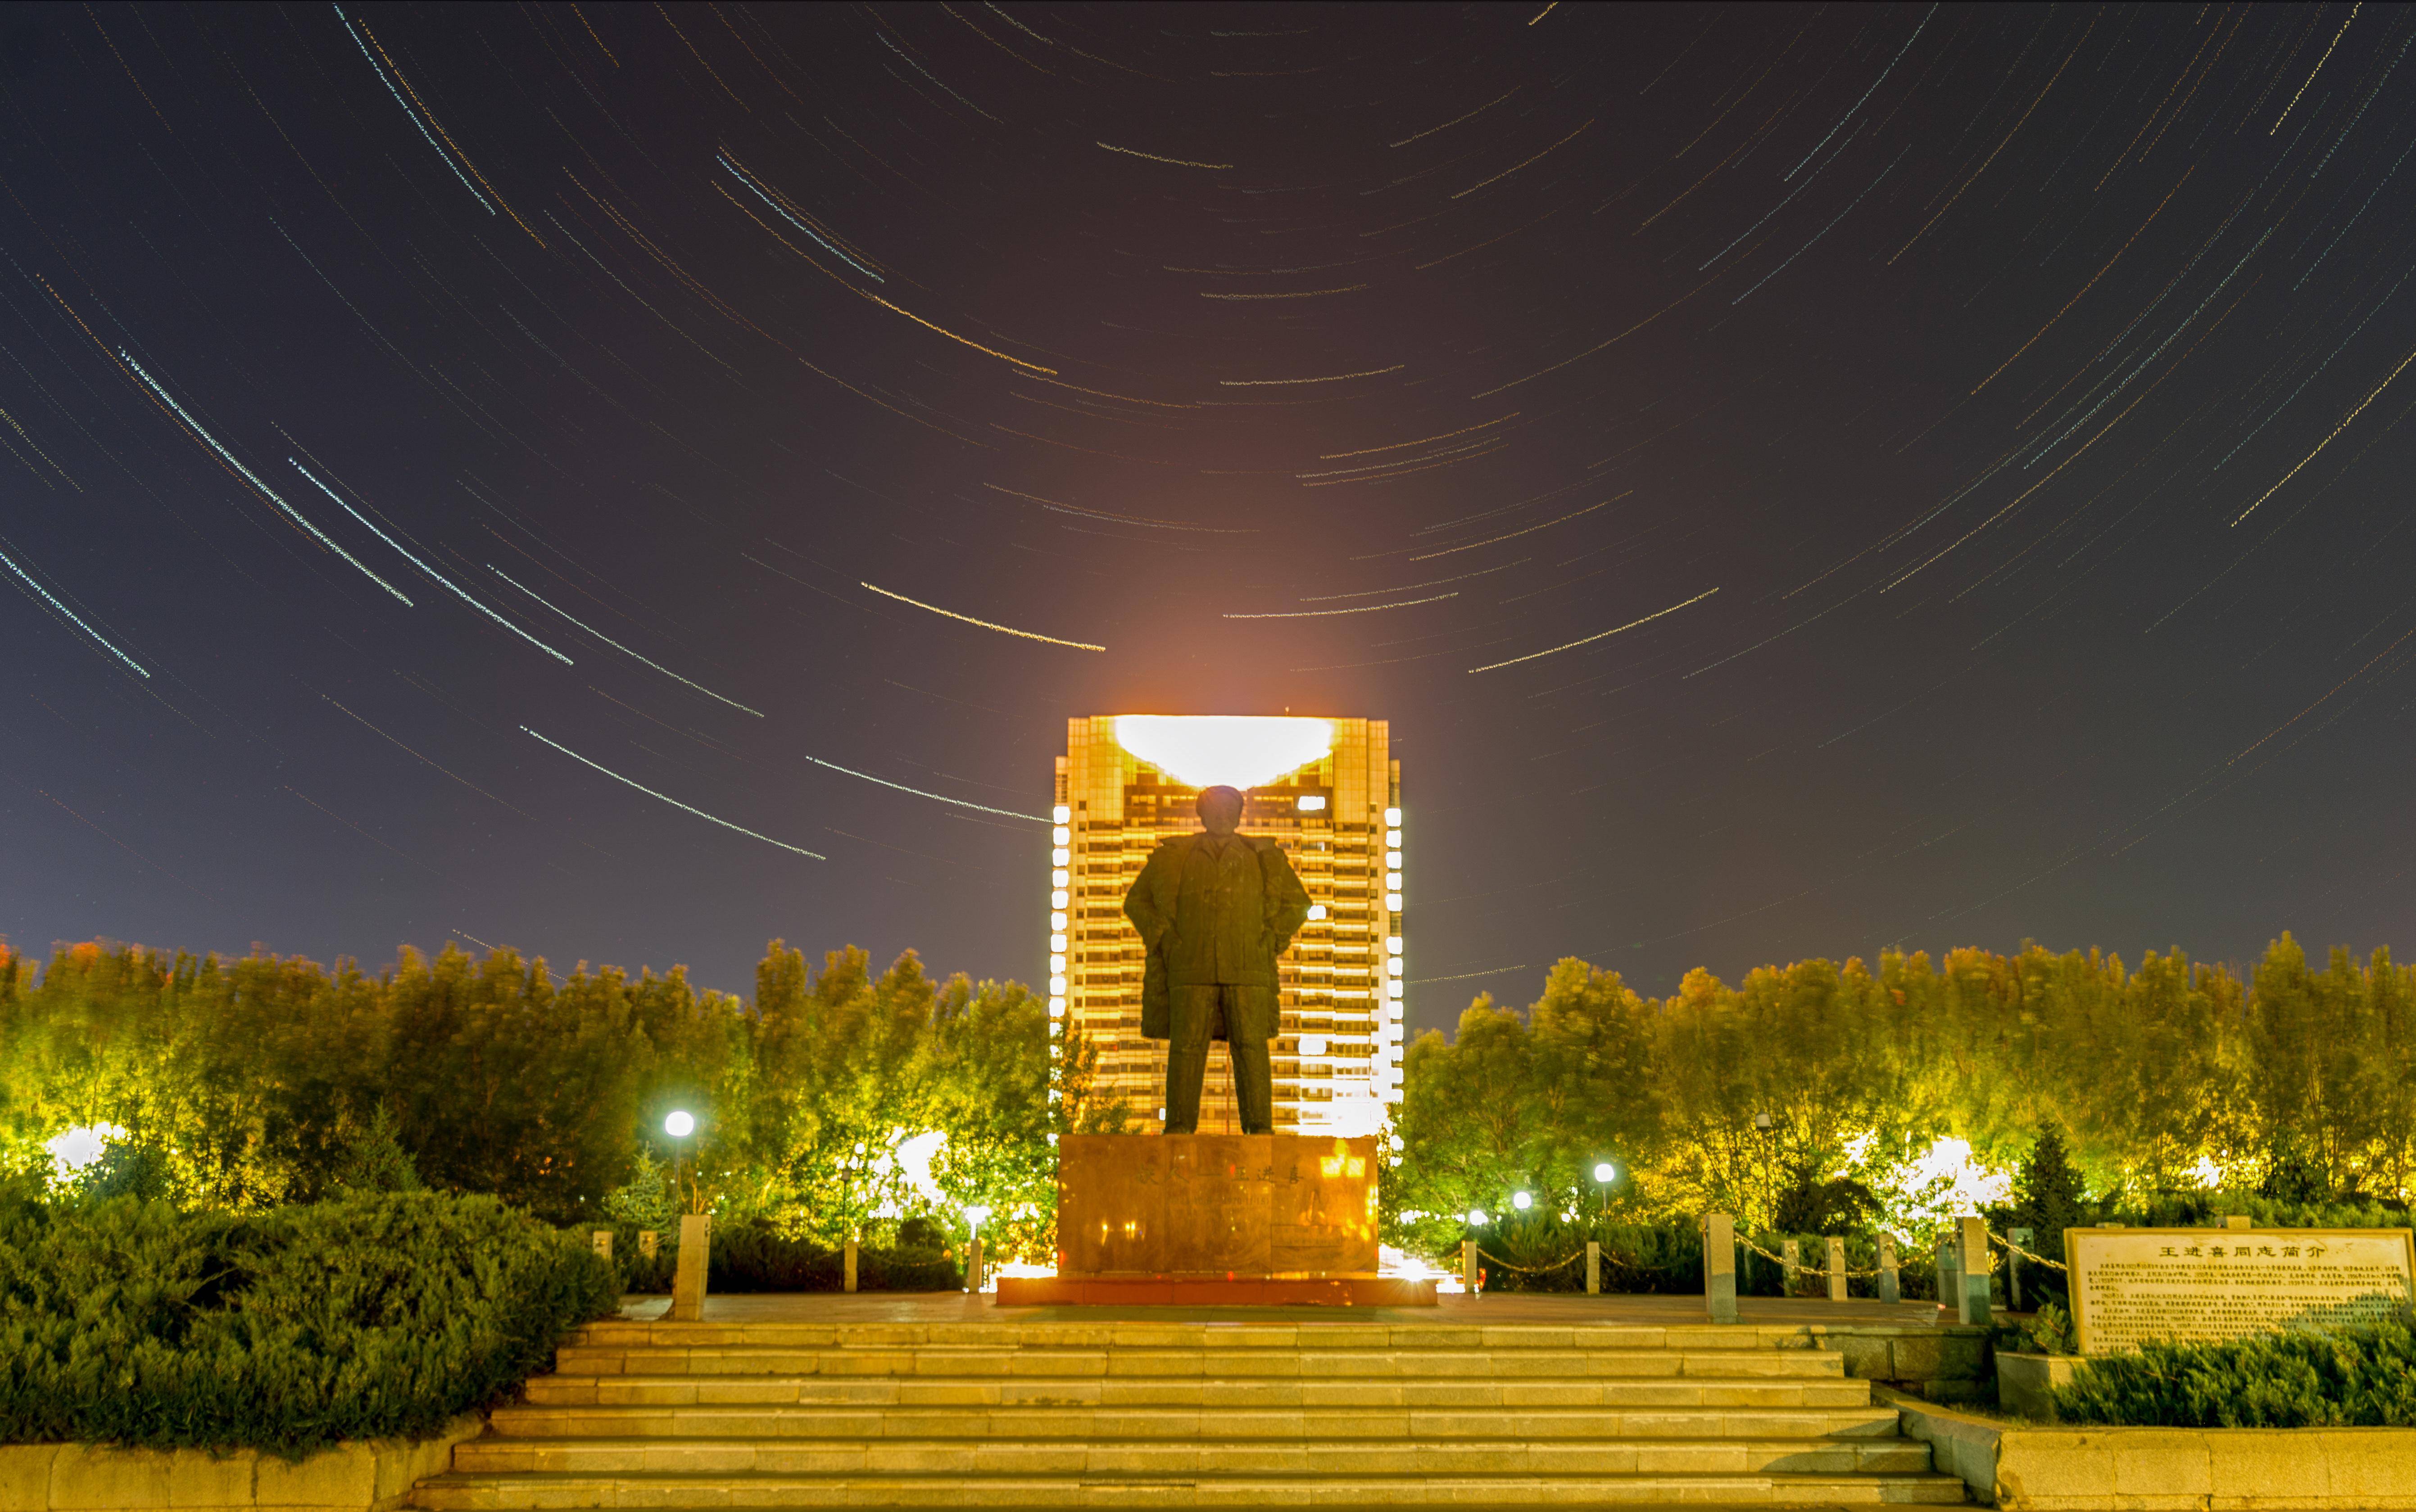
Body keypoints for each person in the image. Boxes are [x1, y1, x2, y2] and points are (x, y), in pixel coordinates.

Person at [1121, 784, 1312, 1135]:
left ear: (1240, 816)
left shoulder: (1263, 856)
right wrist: (1165, 940)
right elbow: (1137, 901)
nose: (1223, 817)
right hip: (1189, 966)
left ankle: (1259, 1130)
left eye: (1230, 811)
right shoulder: (1172, 856)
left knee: (1252, 1048)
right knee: (1186, 1049)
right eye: (1216, 811)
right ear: (1202, 815)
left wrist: (1272, 938)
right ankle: (1178, 1129)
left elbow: (1298, 904)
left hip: (1248, 968)